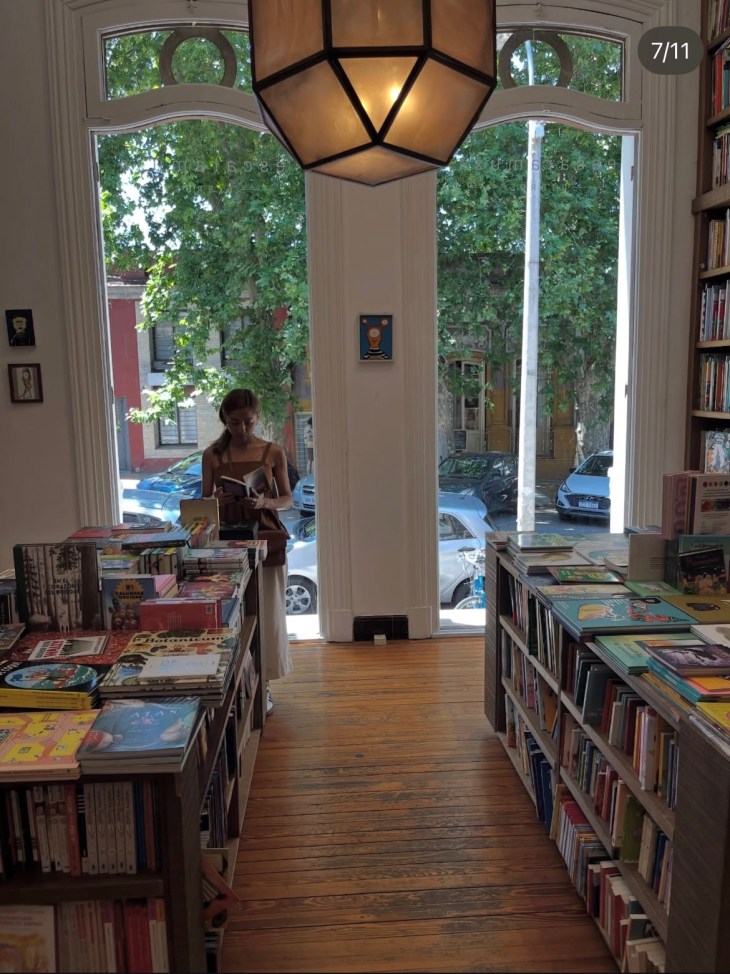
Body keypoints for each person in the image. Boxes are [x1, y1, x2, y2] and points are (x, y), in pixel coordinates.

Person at [201, 388, 292, 715]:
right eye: (235, 422)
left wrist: (265, 501)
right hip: (226, 540)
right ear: (224, 420)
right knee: (230, 616)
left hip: (266, 536)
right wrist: (216, 501)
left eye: (249, 422)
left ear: (258, 418)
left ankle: (263, 683)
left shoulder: (273, 451)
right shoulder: (212, 455)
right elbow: (202, 505)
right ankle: (234, 684)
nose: (242, 429)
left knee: (267, 612)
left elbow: (287, 499)